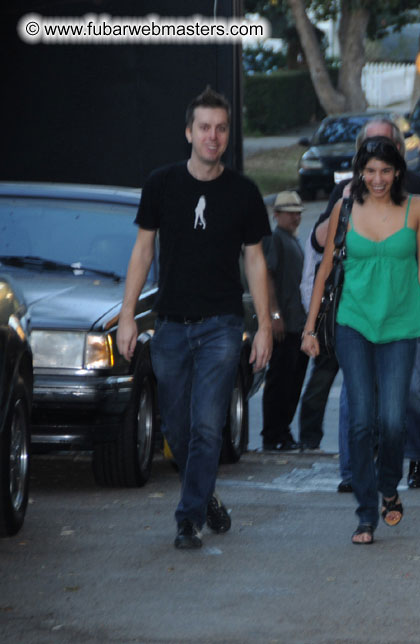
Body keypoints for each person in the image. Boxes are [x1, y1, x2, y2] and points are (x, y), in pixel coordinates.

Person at [117, 87, 272, 550]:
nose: (213, 136)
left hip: (221, 326)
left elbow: (256, 262)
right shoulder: (161, 184)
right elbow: (143, 250)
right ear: (189, 132)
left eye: (221, 128)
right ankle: (204, 498)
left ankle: (187, 519)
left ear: (227, 135)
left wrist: (264, 324)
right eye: (204, 127)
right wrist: (128, 316)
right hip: (169, 326)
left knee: (208, 426)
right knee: (177, 429)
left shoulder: (243, 192)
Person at [302, 137, 420, 545]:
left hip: (403, 323)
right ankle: (366, 514)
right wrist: (310, 329)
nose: (377, 179)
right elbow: (325, 270)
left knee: (394, 420)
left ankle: (388, 486)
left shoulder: (418, 207)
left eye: (385, 171)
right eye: (370, 171)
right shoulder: (344, 209)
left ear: (397, 171)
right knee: (361, 420)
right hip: (353, 322)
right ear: (359, 172)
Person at [261, 191, 309, 452]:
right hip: (284, 325)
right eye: (290, 212)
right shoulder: (275, 239)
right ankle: (272, 434)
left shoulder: (293, 240)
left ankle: (284, 430)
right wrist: (274, 314)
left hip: (299, 325)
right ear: (276, 215)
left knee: (293, 381)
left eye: (298, 211)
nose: (295, 216)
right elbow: (267, 275)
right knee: (279, 380)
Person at [296, 211, 341, 462]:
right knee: (321, 380)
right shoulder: (323, 237)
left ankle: (309, 438)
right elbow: (310, 283)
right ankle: (309, 438)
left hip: (336, 315)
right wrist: (313, 324)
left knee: (321, 380)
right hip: (329, 318)